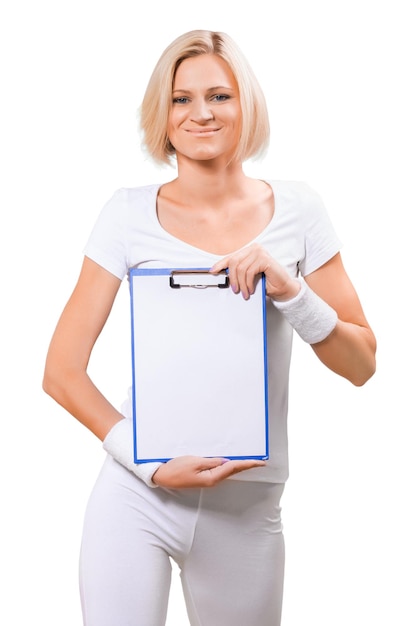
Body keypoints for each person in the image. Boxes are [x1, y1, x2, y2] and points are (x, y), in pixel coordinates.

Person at [42, 29, 376, 626]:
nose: (201, 113)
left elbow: (361, 365)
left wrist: (292, 291)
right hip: (137, 497)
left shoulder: (299, 211)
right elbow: (61, 373)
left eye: (220, 96)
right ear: (162, 116)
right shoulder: (127, 214)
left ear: (247, 105)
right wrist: (147, 465)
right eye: (180, 99)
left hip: (247, 507)